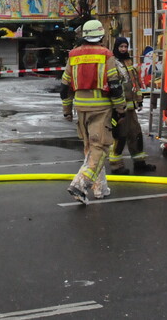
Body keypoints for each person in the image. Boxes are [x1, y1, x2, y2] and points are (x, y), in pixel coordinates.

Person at [60, 19, 127, 203]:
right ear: (101, 36)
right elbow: (114, 86)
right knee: (100, 147)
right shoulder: (106, 54)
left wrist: (67, 110)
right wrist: (121, 109)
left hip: (80, 108)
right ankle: (80, 183)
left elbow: (64, 87)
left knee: (91, 148)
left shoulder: (73, 55)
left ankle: (100, 189)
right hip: (101, 108)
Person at [108, 36, 156, 174]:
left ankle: (139, 162)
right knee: (120, 136)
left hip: (131, 109)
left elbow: (134, 82)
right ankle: (116, 166)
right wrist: (117, 108)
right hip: (119, 108)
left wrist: (139, 99)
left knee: (136, 134)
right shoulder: (112, 62)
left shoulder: (128, 61)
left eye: (125, 46)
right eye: (121, 47)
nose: (123, 49)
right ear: (116, 48)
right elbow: (114, 85)